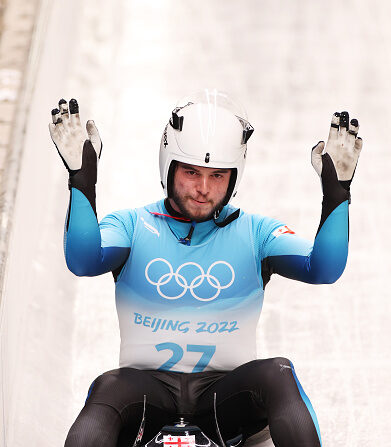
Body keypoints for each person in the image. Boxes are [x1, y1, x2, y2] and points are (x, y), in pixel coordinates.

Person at [49, 89, 362, 447]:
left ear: (234, 176)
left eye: (217, 176)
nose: (202, 189)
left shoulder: (256, 232)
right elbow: (83, 259)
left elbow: (324, 268)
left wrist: (336, 193)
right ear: (169, 166)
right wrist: (81, 180)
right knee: (107, 388)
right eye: (191, 172)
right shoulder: (133, 225)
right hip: (146, 397)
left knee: (279, 374)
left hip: (227, 401)